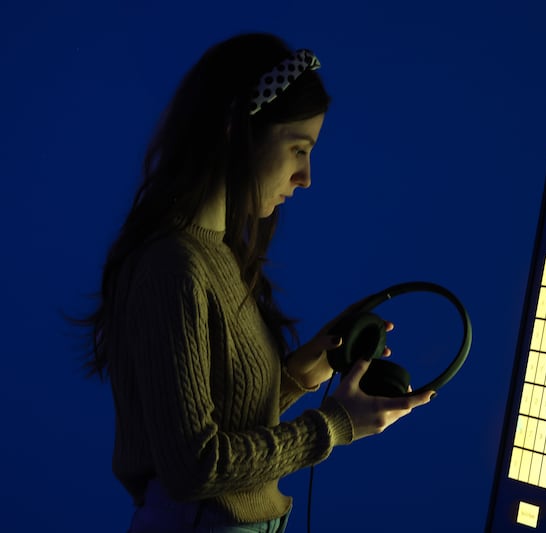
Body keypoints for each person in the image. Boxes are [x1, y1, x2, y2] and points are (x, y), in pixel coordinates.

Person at [74, 32, 434, 532]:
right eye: (297, 149)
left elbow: (219, 420)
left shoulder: (215, 255)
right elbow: (194, 465)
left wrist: (294, 379)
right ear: (234, 133)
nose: (306, 176)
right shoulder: (173, 266)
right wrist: (333, 427)